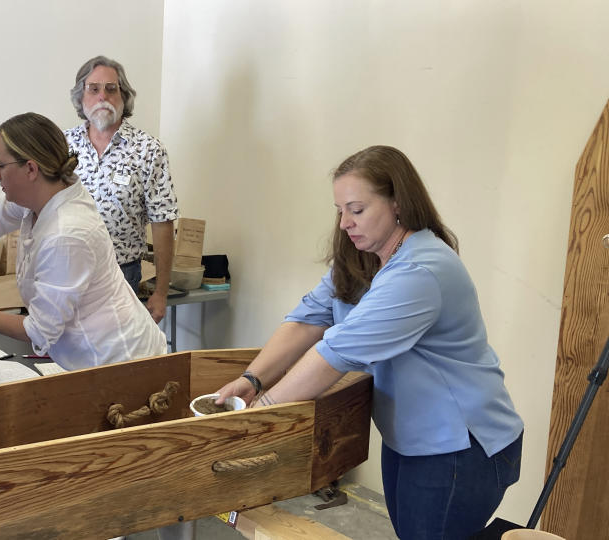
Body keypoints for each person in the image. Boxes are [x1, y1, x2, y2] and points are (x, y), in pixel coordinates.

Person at [215, 146, 524, 539]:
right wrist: (252, 380)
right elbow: (307, 320)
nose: (345, 223)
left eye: (357, 210)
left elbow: (335, 354)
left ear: (398, 203)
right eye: (340, 210)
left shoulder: (420, 270)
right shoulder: (363, 260)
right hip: (410, 438)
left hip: (460, 445)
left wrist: (260, 414)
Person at [0, 112, 166, 372]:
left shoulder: (67, 234)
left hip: (121, 362)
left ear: (31, 169)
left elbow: (39, 333)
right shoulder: (39, 199)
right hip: (96, 359)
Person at [66, 56, 178, 323]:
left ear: (124, 96)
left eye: (111, 88)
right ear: (81, 97)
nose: (102, 96)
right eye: (93, 89)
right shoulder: (62, 146)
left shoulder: (148, 150)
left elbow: (163, 222)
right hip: (67, 271)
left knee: (117, 359)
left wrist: (161, 292)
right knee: (67, 359)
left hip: (122, 275)